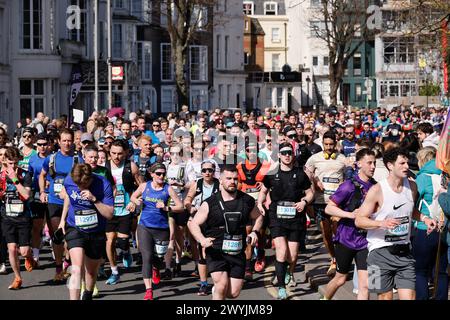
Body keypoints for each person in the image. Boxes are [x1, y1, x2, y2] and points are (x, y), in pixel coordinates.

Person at [355, 148, 437, 300]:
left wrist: (425, 218)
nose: (407, 166)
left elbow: (410, 211)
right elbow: (359, 220)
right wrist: (381, 223)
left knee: (410, 297)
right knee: (383, 297)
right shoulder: (377, 190)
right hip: (377, 253)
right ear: (390, 166)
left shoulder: (412, 186)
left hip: (404, 252)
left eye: (407, 163)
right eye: (402, 163)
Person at [188, 165, 263, 300]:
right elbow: (193, 224)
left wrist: (255, 232)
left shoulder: (247, 201)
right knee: (221, 285)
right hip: (216, 251)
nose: (232, 181)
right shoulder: (210, 203)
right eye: (228, 178)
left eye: (235, 179)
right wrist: (202, 240)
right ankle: (218, 290)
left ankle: (216, 290)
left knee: (233, 294)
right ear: (221, 180)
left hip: (237, 252)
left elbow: (258, 217)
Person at [257, 143, 314, 299]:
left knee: (293, 256)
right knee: (281, 252)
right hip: (277, 216)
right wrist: (260, 203)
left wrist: (304, 202)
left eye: (289, 153)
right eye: (284, 153)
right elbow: (263, 191)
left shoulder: (300, 174)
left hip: (296, 217)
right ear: (279, 155)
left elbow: (310, 193)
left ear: (293, 155)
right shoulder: (271, 174)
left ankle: (289, 271)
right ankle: (281, 286)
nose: (287, 155)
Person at [322, 148, 377, 300]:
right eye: (369, 163)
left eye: (374, 163)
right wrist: (350, 214)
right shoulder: (348, 185)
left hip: (366, 241)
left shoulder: (376, 187)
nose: (373, 166)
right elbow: (329, 208)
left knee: (366, 285)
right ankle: (325, 298)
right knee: (340, 279)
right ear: (359, 164)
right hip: (346, 239)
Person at [128, 163, 184, 300]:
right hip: (145, 226)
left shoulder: (168, 189)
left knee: (159, 257)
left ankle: (156, 268)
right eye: (158, 173)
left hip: (162, 228)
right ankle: (148, 290)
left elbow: (180, 206)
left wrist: (166, 208)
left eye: (163, 174)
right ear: (152, 174)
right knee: (146, 257)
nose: (161, 176)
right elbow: (132, 197)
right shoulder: (144, 186)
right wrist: (136, 201)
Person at [58, 164, 114, 300]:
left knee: (91, 272)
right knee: (76, 269)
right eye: (77, 184)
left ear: (90, 179)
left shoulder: (103, 183)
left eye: (83, 184)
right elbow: (67, 199)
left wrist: (94, 199)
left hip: (96, 231)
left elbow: (109, 214)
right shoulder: (68, 181)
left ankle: (87, 293)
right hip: (75, 228)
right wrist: (62, 220)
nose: (79, 187)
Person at [39, 128, 82, 282]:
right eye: (64, 140)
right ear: (58, 141)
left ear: (73, 141)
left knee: (71, 236)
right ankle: (59, 267)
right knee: (57, 236)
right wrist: (42, 191)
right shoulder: (51, 158)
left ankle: (68, 260)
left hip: (72, 202)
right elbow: (42, 175)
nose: (66, 143)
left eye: (69, 140)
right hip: (54, 201)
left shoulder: (78, 158)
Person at [305, 131, 346, 277]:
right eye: (326, 144)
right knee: (326, 232)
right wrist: (315, 181)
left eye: (331, 144)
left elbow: (348, 177)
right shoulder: (314, 158)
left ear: (335, 143)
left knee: (338, 232)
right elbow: (306, 173)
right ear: (322, 144)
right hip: (320, 201)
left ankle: (342, 260)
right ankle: (333, 259)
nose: (328, 147)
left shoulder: (342, 159)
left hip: (337, 203)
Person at [104, 140, 142, 285]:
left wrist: (133, 201)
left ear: (126, 152)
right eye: (113, 153)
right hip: (110, 210)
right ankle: (114, 272)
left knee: (122, 241)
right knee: (110, 241)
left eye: (120, 153)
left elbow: (142, 186)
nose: (116, 156)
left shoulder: (131, 166)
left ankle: (126, 251)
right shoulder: (104, 167)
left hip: (125, 209)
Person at [412, 147, 448, 300]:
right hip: (444, 229)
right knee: (441, 271)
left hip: (424, 228)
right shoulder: (446, 176)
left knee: (420, 271)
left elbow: (412, 202)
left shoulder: (423, 177)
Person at [0, 147, 36, 289]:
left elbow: (26, 196)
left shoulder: (25, 175)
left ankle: (29, 256)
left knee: (24, 251)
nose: (13, 166)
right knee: (12, 248)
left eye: (15, 163)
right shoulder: (1, 176)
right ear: (4, 161)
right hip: (7, 217)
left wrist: (15, 179)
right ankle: (17, 278)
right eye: (10, 163)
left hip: (23, 217)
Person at [185, 160, 220, 295]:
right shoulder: (197, 184)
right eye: (204, 170)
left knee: (216, 251)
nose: (207, 173)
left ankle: (220, 281)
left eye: (210, 170)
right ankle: (204, 284)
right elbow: (187, 199)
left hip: (216, 221)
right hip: (200, 221)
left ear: (213, 171)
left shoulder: (219, 184)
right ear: (201, 172)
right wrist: (190, 207)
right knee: (202, 252)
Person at [28, 133, 51, 266]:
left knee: (53, 226)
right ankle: (36, 256)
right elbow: (29, 176)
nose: (42, 147)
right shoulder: (32, 159)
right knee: (36, 227)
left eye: (44, 144)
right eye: (39, 145)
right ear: (36, 145)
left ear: (49, 144)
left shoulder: (53, 158)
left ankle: (57, 252)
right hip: (37, 194)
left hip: (53, 195)